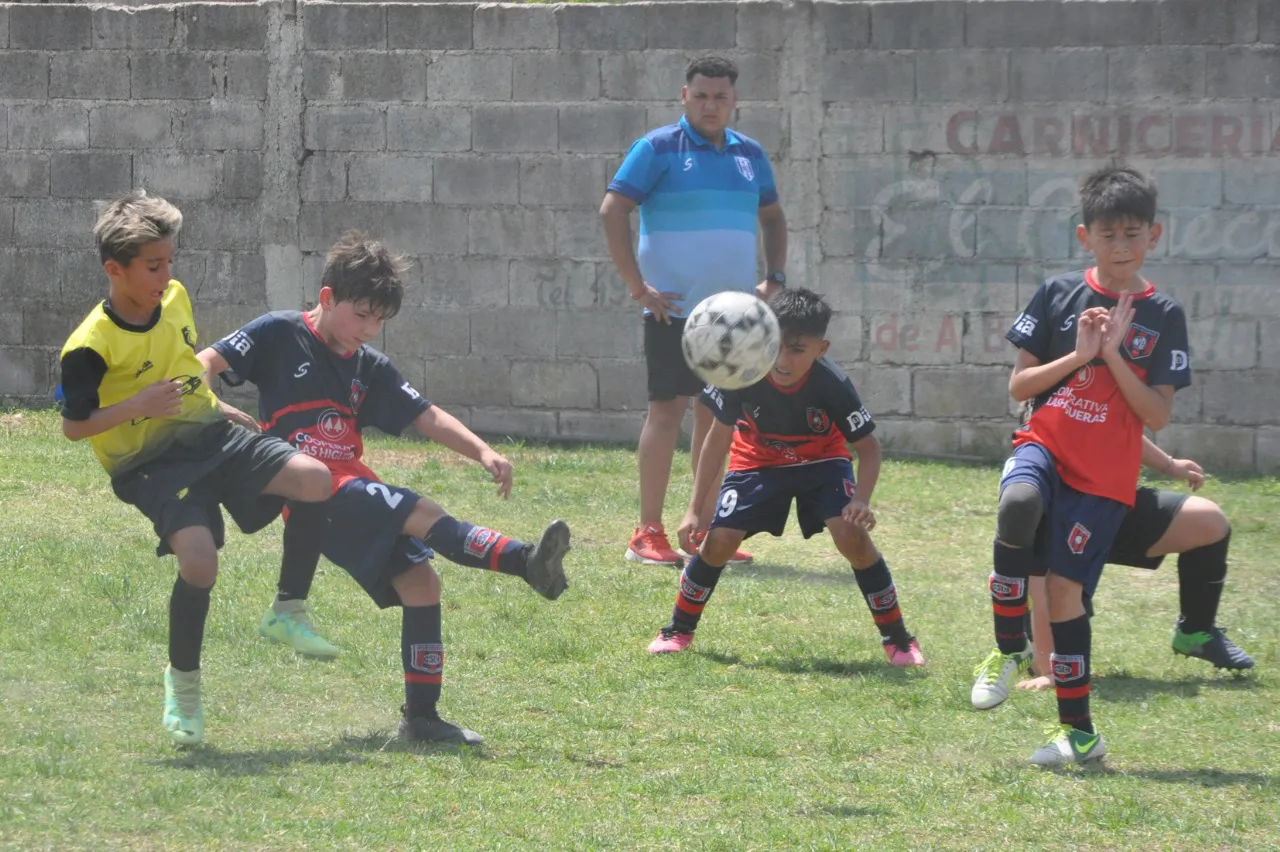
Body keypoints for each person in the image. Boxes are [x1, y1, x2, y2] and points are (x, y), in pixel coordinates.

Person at [198, 231, 571, 745]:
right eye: (362, 315)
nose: (369, 331)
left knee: (422, 586)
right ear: (327, 298)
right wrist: (211, 404)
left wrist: (482, 450)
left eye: (380, 321)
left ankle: (421, 719)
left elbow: (426, 415)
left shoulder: (368, 366)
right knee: (423, 511)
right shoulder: (278, 332)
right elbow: (202, 364)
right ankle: (525, 561)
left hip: (353, 484)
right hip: (310, 491)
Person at [58, 190, 334, 746]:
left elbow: (183, 362)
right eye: (153, 265)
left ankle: (288, 610)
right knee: (200, 563)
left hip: (211, 436)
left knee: (316, 479)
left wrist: (220, 406)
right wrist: (137, 406)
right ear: (116, 269)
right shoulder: (89, 346)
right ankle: (183, 689)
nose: (166, 274)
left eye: (169, 261)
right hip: (148, 466)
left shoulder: (177, 296)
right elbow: (74, 425)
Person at [969, 165, 1193, 767]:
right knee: (1016, 506)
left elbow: (1156, 415)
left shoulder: (1165, 314)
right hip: (1044, 444)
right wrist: (1079, 354)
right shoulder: (1058, 293)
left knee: (1066, 593)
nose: (1121, 247)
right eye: (1108, 234)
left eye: (1133, 234)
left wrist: (1114, 355)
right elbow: (1022, 386)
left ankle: (1081, 736)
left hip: (1104, 479)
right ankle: (1007, 649)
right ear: (1084, 237)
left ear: (1155, 235)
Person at [645, 289, 925, 667]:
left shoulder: (832, 385)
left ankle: (899, 639)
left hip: (822, 462)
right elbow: (717, 441)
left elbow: (870, 448)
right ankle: (677, 630)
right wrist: (695, 509)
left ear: (820, 349)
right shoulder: (743, 371)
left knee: (852, 536)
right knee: (719, 542)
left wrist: (860, 500)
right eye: (776, 345)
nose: (782, 359)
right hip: (756, 462)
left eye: (797, 349)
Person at [600, 54, 788, 568]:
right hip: (672, 313)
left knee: (718, 419)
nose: (711, 104)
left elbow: (772, 216)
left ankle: (701, 528)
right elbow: (613, 209)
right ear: (685, 96)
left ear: (734, 100)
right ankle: (648, 532)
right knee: (667, 411)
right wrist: (638, 288)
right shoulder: (657, 148)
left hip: (732, 321)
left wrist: (775, 278)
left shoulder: (750, 154)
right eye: (701, 95)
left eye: (721, 96)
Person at [1008, 438, 1253, 693]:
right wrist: (1049, 670)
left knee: (1209, 522)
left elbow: (1122, 426)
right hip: (1062, 514)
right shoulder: (1051, 416)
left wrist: (1169, 465)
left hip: (1110, 504)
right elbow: (1037, 572)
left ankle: (1195, 632)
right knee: (1055, 651)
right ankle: (1042, 652)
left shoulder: (1117, 400)